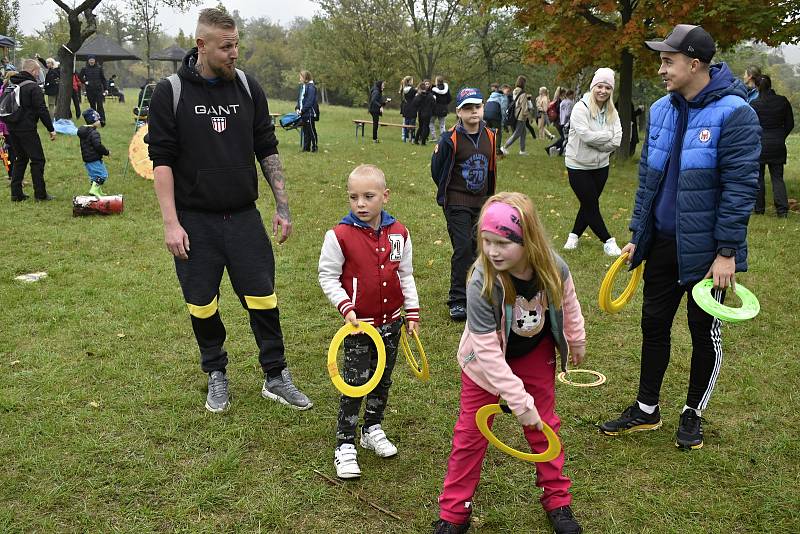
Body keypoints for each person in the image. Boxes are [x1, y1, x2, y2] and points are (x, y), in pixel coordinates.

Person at [599, 24, 760, 450]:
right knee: (653, 323)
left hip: (708, 252)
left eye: (669, 61)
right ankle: (646, 409)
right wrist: (639, 233)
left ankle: (693, 413)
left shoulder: (735, 113)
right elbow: (649, 180)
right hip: (663, 244)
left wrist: (727, 252)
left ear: (695, 64)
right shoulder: (662, 109)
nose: (662, 68)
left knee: (702, 328)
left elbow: (741, 188)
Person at [147, 7, 313, 413]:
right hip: (194, 221)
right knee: (202, 303)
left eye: (237, 43)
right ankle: (216, 372)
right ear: (201, 46)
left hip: (243, 218)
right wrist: (171, 223)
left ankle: (275, 375)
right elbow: (162, 161)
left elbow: (266, 148)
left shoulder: (246, 87)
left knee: (263, 298)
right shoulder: (170, 92)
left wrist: (283, 206)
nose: (234, 53)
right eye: (226, 47)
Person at [434, 192, 586, 534]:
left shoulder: (553, 267)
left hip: (534, 351)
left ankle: (557, 500)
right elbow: (487, 351)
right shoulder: (480, 281)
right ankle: (454, 513)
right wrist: (518, 401)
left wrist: (576, 338)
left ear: (527, 240)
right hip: (484, 364)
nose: (492, 251)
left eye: (502, 243)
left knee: (544, 426)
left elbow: (568, 303)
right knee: (471, 434)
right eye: (486, 242)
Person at [318, 163, 421, 480]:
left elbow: (405, 274)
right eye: (353, 197)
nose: (360, 204)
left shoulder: (399, 234)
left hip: (392, 325)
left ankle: (371, 428)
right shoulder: (339, 236)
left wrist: (412, 312)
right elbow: (328, 276)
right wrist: (345, 307)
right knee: (355, 383)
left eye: (368, 196)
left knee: (383, 380)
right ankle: (344, 443)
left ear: (385, 196)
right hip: (359, 327)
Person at [431, 87, 497, 321]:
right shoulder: (450, 139)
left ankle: (479, 293)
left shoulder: (489, 135)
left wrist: (490, 198)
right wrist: (448, 194)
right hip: (457, 201)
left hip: (481, 203)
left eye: (477, 107)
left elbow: (490, 169)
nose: (473, 112)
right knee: (463, 248)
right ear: (458, 111)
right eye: (468, 108)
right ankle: (458, 299)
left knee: (480, 248)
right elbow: (437, 170)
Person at [562, 68, 622, 256]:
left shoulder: (612, 110)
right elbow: (586, 136)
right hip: (578, 166)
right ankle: (608, 241)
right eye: (599, 86)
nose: (603, 91)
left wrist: (602, 143)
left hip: (601, 166)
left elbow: (617, 139)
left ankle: (573, 236)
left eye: (607, 87)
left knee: (589, 203)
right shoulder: (581, 108)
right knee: (591, 205)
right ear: (593, 86)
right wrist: (607, 136)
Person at [6, 59, 56, 202]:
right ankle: (40, 194)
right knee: (38, 160)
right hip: (26, 128)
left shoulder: (12, 83)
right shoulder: (33, 87)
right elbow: (42, 109)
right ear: (34, 71)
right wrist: (51, 128)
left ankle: (16, 193)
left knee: (20, 159)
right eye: (38, 71)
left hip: (12, 127)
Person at [750, 75, 793, 218]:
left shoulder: (755, 104)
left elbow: (750, 126)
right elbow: (790, 124)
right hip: (778, 144)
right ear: (770, 85)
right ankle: (782, 211)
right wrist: (780, 136)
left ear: (757, 87)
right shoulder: (782, 101)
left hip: (760, 144)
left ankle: (759, 209)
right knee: (777, 178)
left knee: (759, 178)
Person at [78, 108, 110, 196]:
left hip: (87, 159)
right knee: (103, 175)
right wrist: (106, 152)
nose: (100, 121)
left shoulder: (83, 132)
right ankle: (94, 190)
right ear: (94, 121)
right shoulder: (94, 133)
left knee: (94, 176)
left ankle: (97, 192)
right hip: (94, 158)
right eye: (98, 120)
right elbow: (98, 146)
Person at [499, 75, 531, 156]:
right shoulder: (523, 93)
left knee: (523, 133)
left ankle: (522, 150)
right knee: (517, 133)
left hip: (516, 114)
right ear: (523, 83)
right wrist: (528, 116)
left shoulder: (515, 91)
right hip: (521, 116)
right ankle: (504, 147)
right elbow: (524, 107)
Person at [80, 56, 107, 126]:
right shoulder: (85, 69)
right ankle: (93, 120)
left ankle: (102, 120)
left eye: (93, 60)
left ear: (95, 61)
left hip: (98, 90)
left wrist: (106, 89)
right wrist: (85, 82)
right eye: (90, 60)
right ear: (88, 61)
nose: (91, 61)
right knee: (92, 106)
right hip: (90, 90)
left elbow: (103, 79)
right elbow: (80, 77)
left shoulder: (99, 68)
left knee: (100, 105)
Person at [296, 70, 319, 152]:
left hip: (309, 113)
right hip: (303, 113)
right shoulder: (303, 86)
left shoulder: (311, 87)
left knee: (311, 130)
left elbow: (310, 101)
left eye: (301, 77)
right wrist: (297, 108)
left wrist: (302, 110)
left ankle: (314, 147)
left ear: (305, 78)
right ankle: (306, 148)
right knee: (305, 131)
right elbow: (300, 99)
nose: (299, 78)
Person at [484, 83, 505, 154]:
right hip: (495, 115)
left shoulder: (490, 97)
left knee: (488, 132)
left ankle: (486, 148)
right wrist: (503, 120)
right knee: (498, 132)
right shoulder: (502, 97)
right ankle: (497, 150)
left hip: (486, 115)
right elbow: (503, 109)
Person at [413, 80, 435, 145]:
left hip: (420, 113)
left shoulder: (419, 96)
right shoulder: (430, 95)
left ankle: (416, 140)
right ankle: (423, 142)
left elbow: (414, 103)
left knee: (420, 127)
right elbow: (434, 103)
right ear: (425, 88)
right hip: (428, 113)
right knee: (425, 127)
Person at [546, 87, 566, 156]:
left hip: (557, 122)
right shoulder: (559, 101)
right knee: (564, 137)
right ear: (562, 93)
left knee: (564, 137)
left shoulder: (556, 100)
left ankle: (559, 150)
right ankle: (550, 148)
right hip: (559, 122)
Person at [431, 75, 451, 140]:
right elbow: (449, 98)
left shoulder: (434, 89)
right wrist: (445, 104)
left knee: (431, 122)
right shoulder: (446, 89)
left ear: (437, 81)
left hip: (435, 108)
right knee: (442, 124)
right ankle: (443, 138)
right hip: (443, 108)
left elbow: (433, 99)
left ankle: (434, 136)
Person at [557, 89, 575, 156]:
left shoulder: (563, 102)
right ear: (570, 95)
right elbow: (568, 113)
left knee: (564, 138)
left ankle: (562, 151)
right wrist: (574, 113)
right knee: (567, 138)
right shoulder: (570, 102)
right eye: (573, 94)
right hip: (567, 122)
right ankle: (562, 151)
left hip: (562, 121)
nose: (574, 96)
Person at [399, 76, 416, 142]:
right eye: (412, 80)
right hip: (412, 108)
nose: (413, 82)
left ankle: (405, 138)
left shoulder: (403, 89)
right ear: (409, 81)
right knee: (412, 124)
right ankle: (412, 138)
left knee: (406, 123)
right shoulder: (412, 90)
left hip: (405, 107)